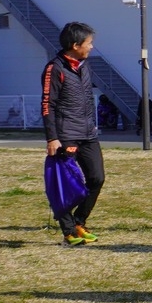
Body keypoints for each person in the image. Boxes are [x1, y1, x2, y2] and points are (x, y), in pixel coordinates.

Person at [42, 21, 106, 246]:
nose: (92, 47)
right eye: (89, 43)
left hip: (88, 133)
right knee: (66, 185)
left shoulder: (84, 65)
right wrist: (52, 137)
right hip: (66, 135)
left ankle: (79, 222)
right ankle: (68, 232)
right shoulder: (54, 68)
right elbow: (47, 104)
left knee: (97, 178)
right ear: (75, 45)